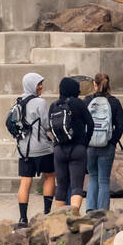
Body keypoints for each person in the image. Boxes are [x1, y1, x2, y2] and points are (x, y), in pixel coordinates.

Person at [14, 72, 54, 226]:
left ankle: (23, 218)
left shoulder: (18, 102)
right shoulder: (40, 102)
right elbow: (46, 124)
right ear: (32, 85)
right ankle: (47, 212)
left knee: (25, 181)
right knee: (50, 176)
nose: (41, 87)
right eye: (38, 84)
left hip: (23, 149)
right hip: (42, 148)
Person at [49, 77, 93, 209]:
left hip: (59, 150)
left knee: (61, 186)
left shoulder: (54, 105)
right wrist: (85, 142)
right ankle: (74, 217)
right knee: (77, 186)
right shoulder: (79, 104)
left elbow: (49, 127)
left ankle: (59, 218)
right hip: (77, 149)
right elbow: (90, 124)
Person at [84, 73, 123, 214]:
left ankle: (90, 209)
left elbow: (81, 122)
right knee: (103, 180)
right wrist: (112, 141)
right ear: (109, 84)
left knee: (93, 177)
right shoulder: (114, 102)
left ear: (94, 84)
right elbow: (121, 125)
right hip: (107, 146)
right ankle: (102, 213)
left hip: (90, 146)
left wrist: (85, 140)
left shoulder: (87, 101)